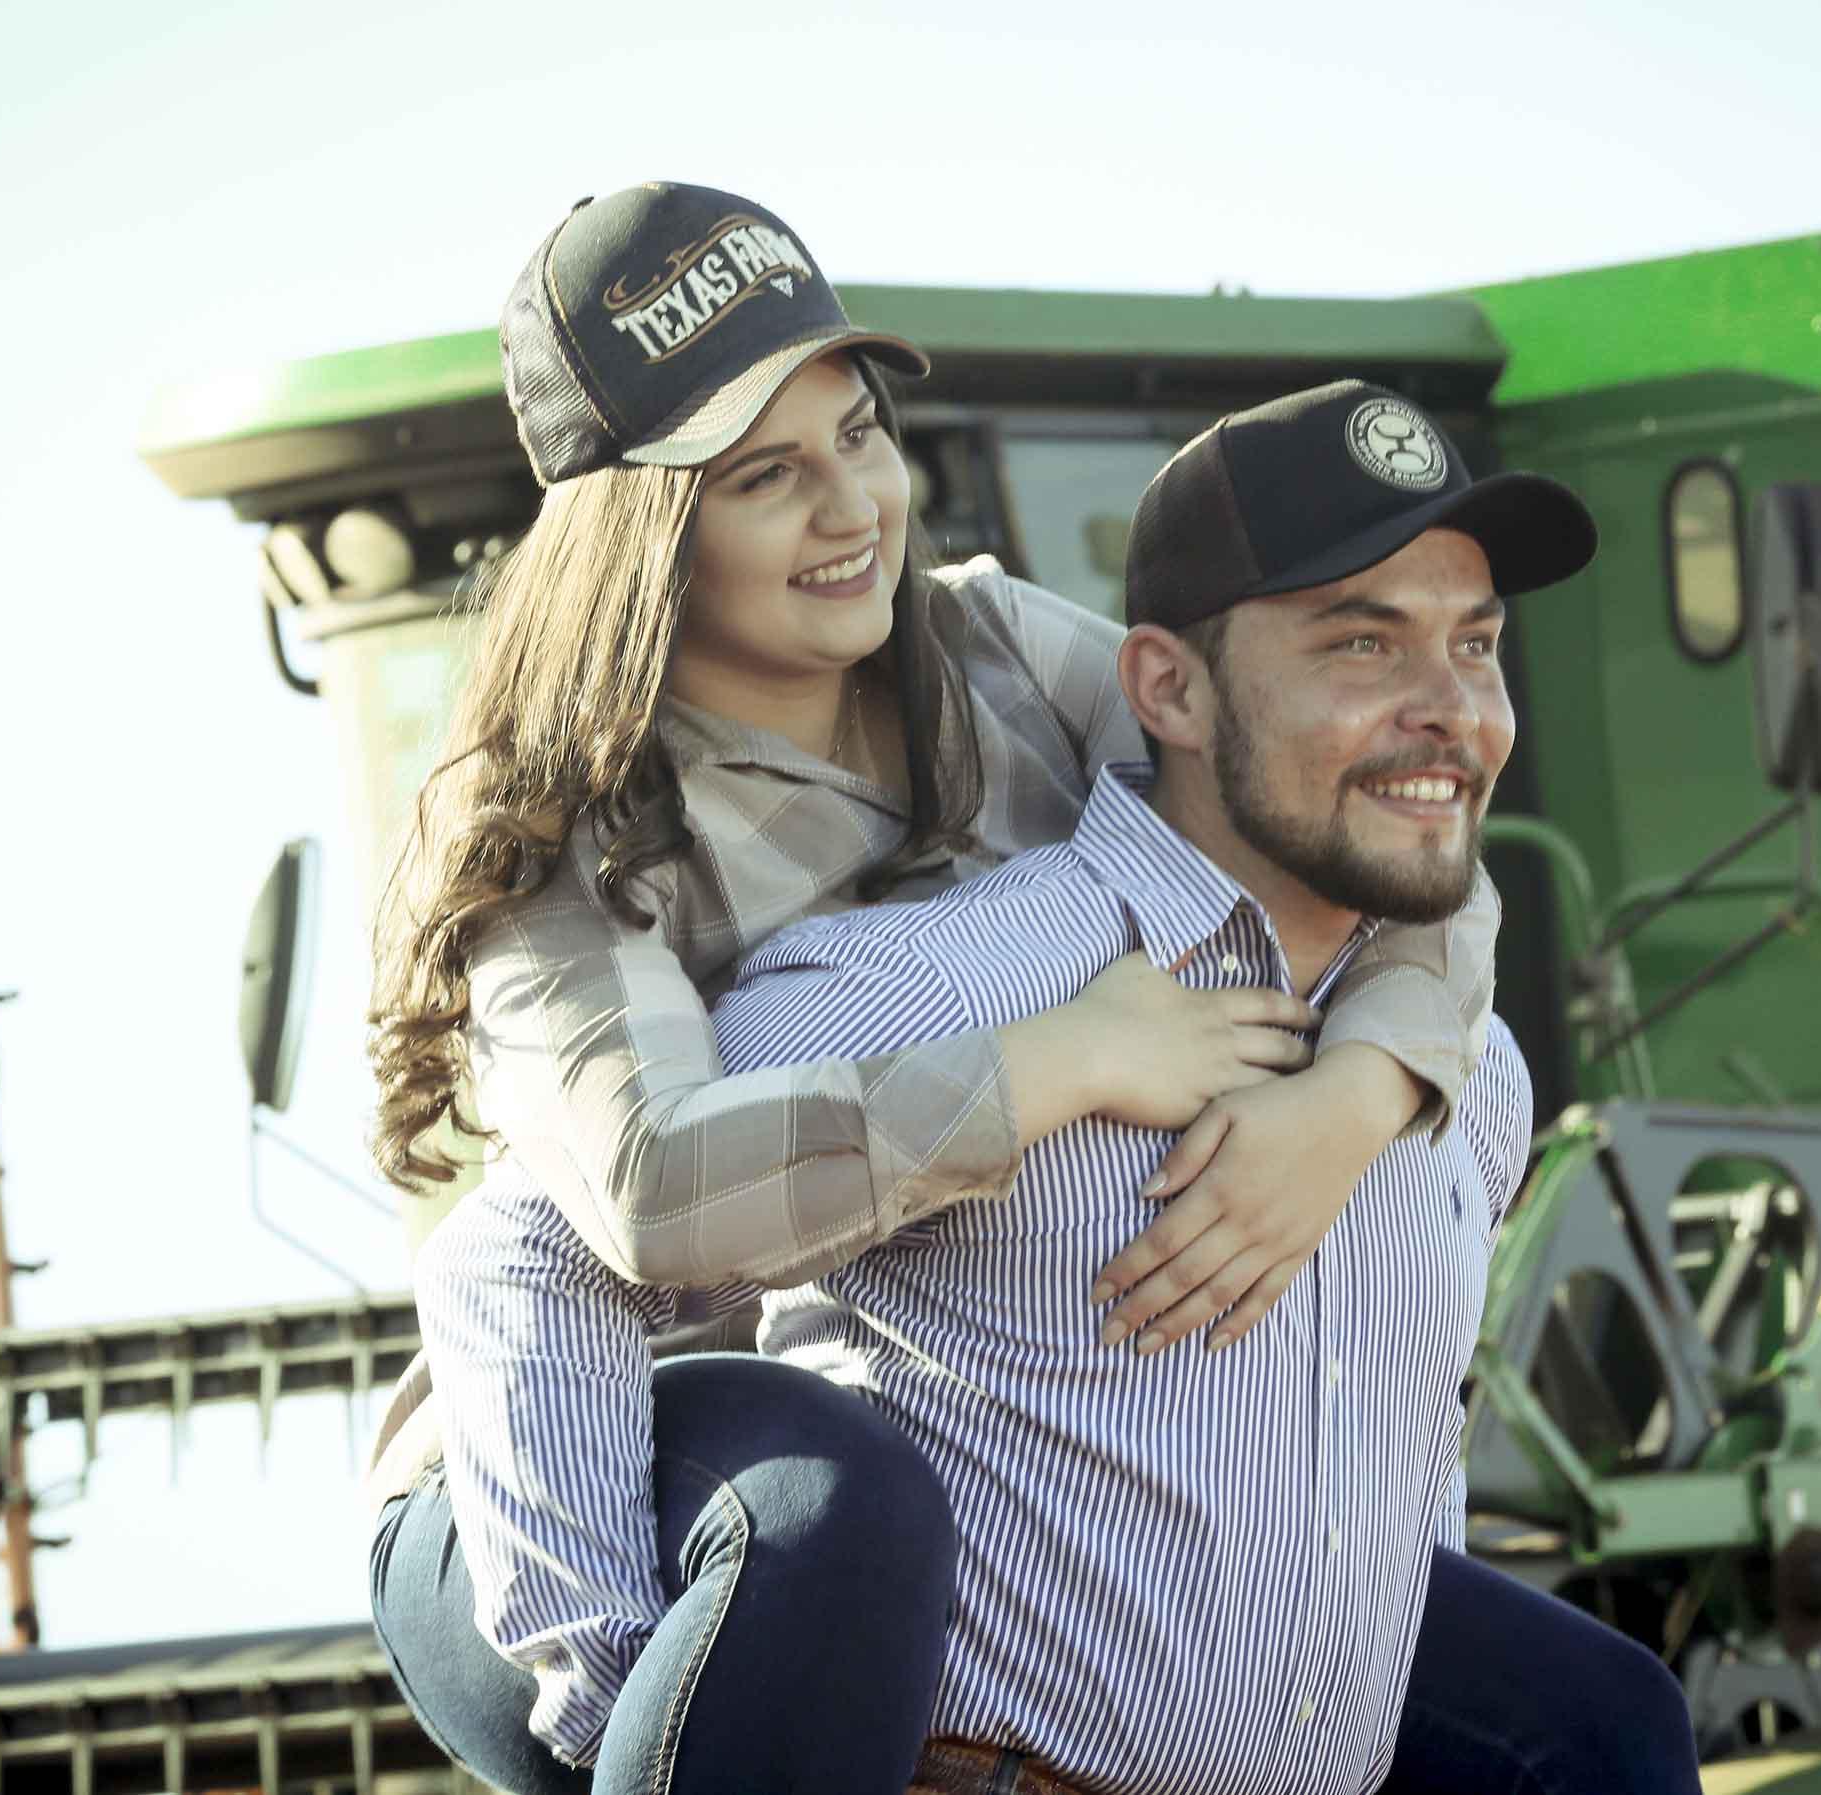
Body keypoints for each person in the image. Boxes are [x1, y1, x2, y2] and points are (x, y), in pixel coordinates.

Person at [363, 182, 1502, 1795]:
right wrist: (1057, 1063)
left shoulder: (992, 652)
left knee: (1569, 1713)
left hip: (927, 1427)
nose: (853, 508)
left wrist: (1355, 1098)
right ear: (647, 533)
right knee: (838, 1506)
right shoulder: (557, 826)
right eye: (768, 475)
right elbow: (657, 1197)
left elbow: (1362, 815)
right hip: (582, 1472)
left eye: (860, 435)